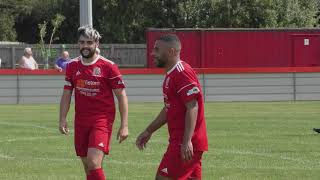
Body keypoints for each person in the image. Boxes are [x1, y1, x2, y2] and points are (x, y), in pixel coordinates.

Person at [59, 26, 129, 180]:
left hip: (101, 120)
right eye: (82, 42)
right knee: (87, 166)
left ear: (97, 43)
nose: (85, 46)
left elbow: (121, 96)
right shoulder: (71, 66)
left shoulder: (108, 66)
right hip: (81, 120)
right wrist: (62, 118)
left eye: (89, 42)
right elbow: (66, 94)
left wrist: (124, 125)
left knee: (93, 162)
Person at [136, 34, 208, 180]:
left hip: (186, 142)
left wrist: (187, 141)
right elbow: (169, 109)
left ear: (171, 51)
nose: (152, 53)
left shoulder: (182, 72)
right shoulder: (171, 74)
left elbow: (192, 106)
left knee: (162, 178)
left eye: (157, 50)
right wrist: (149, 130)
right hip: (182, 140)